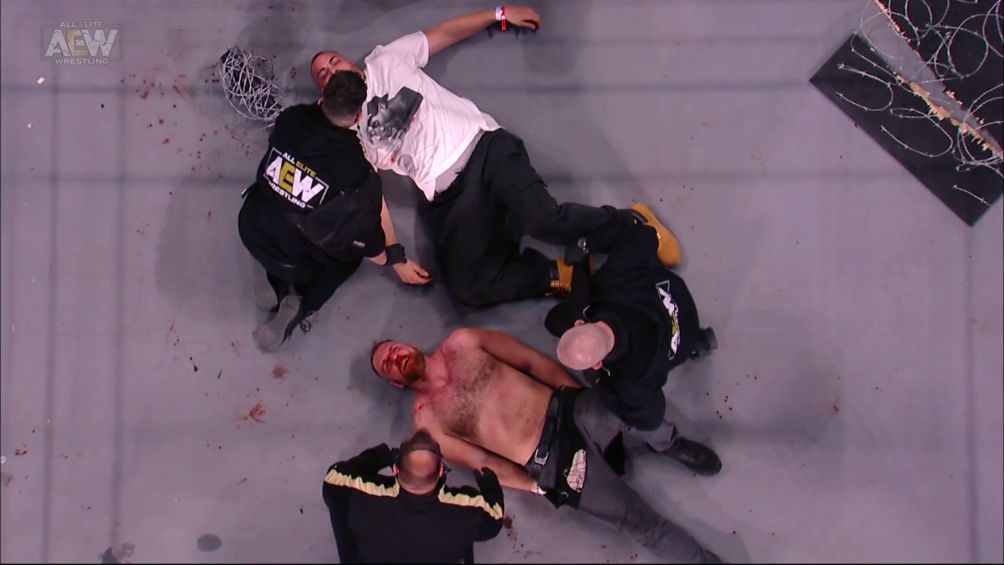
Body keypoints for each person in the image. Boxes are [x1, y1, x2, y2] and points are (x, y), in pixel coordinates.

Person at [310, 6, 679, 307]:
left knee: (542, 219)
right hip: (449, 197)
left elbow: (443, 34)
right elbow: (374, 197)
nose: (330, 70)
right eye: (322, 75)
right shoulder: (350, 135)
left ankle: (634, 225)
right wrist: (394, 257)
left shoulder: (386, 61)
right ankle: (556, 274)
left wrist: (498, 14)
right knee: (467, 287)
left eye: (333, 61)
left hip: (483, 148)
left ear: (349, 63)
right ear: (324, 95)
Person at [369, 328, 723, 563]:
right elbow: (481, 462)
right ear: (396, 383)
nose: (393, 356)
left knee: (630, 412)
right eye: (387, 365)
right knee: (638, 522)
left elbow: (530, 361)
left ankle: (670, 443)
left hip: (565, 408)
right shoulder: (427, 420)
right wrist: (533, 485)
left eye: (392, 348)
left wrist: (574, 393)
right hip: (550, 460)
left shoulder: (463, 342)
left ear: (408, 344)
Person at [238, 72, 422, 351]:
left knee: (277, 210)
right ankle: (301, 303)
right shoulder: (355, 170)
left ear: (321, 99)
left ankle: (262, 266)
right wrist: (393, 258)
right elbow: (371, 245)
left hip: (251, 223)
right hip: (293, 258)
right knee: (347, 258)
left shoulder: (290, 118)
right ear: (359, 116)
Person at [545, 213, 718, 431]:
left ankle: (697, 344)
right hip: (679, 300)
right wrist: (587, 245)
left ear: (597, 364)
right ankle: (696, 341)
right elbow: (646, 235)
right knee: (558, 319)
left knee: (555, 321)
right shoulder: (615, 279)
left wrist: (603, 387)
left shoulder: (629, 382)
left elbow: (652, 419)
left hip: (680, 345)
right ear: (581, 324)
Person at [322, 429, 504, 563]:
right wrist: (489, 484)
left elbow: (334, 478)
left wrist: (382, 454)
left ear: (395, 469)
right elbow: (494, 518)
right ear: (441, 471)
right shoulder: (466, 509)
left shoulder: (360, 494)